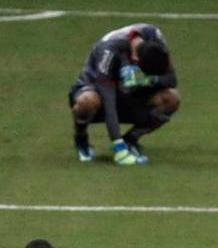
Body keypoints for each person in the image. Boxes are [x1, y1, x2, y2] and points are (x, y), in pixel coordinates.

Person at [68, 23, 180, 165]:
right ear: (136, 60)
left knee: (171, 98)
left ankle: (130, 140)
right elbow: (108, 101)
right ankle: (81, 139)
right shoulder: (109, 50)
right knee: (87, 101)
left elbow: (172, 79)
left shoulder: (155, 38)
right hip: (98, 93)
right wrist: (118, 147)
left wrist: (148, 80)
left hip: (129, 93)